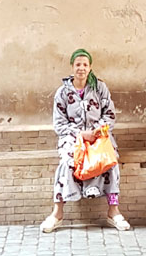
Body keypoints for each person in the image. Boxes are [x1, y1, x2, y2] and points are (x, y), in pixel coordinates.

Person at [41, 48, 131, 234]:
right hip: (73, 138)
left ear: (90, 67)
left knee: (110, 162)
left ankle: (113, 211)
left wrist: (97, 131)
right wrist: (81, 135)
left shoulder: (100, 87)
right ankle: (57, 213)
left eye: (85, 65)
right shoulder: (62, 93)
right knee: (67, 163)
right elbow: (59, 125)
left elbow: (109, 114)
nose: (81, 68)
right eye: (78, 65)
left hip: (98, 136)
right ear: (72, 67)